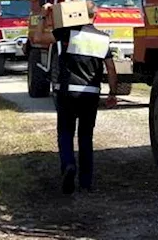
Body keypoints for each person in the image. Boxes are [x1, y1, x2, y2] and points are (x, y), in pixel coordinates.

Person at [52, 20, 119, 194]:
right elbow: (111, 68)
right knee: (85, 137)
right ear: (94, 17)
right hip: (90, 93)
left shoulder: (66, 34)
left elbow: (37, 37)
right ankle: (86, 182)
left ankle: (68, 164)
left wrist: (45, 16)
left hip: (67, 92)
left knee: (65, 133)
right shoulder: (102, 38)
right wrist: (112, 93)